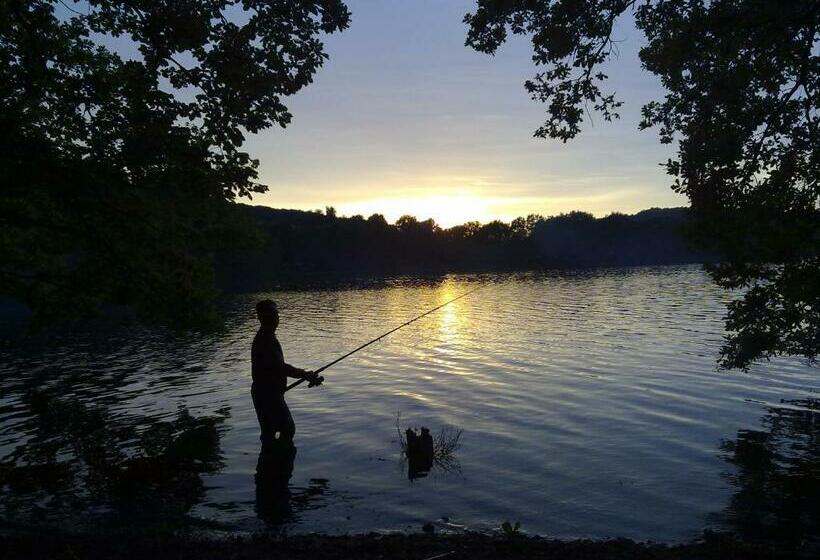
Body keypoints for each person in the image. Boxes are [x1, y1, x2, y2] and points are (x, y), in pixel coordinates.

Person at [252, 299, 321, 448]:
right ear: (261, 317)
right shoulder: (265, 340)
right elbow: (280, 368)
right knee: (286, 429)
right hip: (266, 394)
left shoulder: (268, 337)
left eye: (275, 313)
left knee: (274, 431)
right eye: (270, 313)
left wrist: (304, 376)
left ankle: (272, 463)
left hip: (269, 393)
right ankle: (276, 463)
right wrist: (305, 374)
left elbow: (277, 369)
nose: (274, 316)